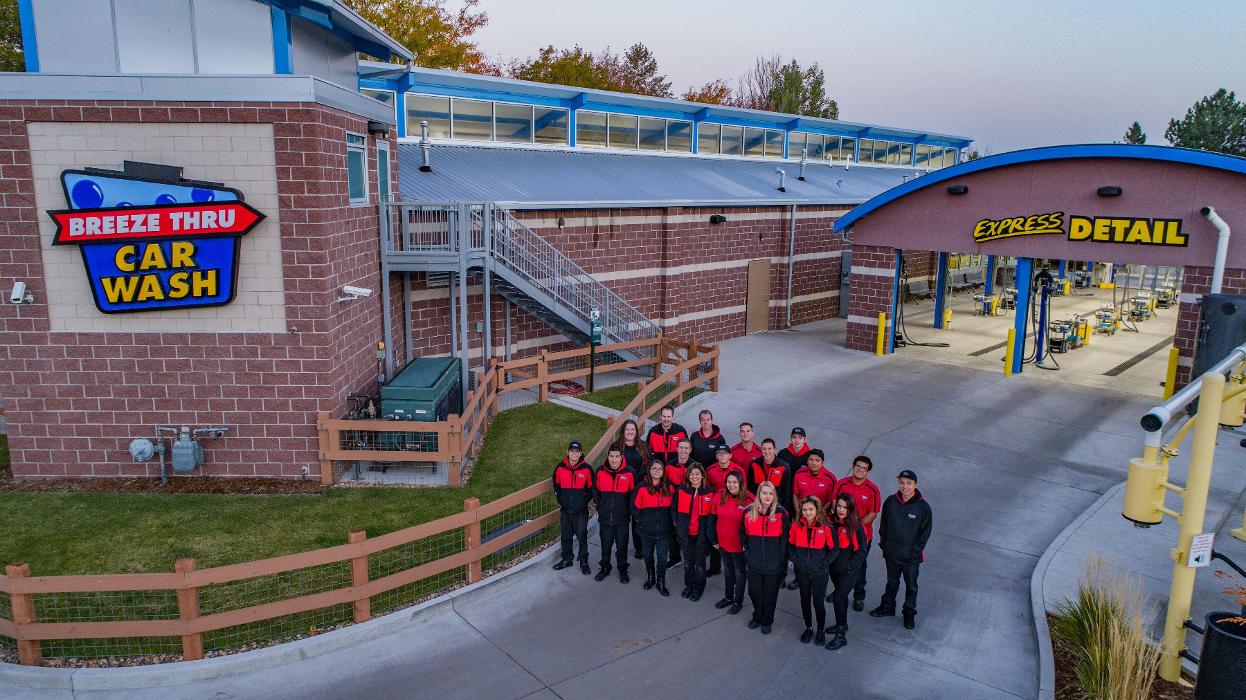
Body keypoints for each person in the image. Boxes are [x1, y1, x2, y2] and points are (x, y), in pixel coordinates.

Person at [871, 469, 933, 630]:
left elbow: (924, 534)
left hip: (911, 557)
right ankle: (887, 607)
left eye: (908, 483)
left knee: (911, 585)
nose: (904, 486)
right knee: (891, 582)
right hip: (892, 553)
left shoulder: (923, 507)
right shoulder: (891, 502)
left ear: (915, 485)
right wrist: (885, 545)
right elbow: (883, 525)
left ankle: (909, 613)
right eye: (902, 482)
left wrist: (913, 552)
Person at [741, 481, 789, 634]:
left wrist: (780, 560)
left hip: (773, 565)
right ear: (759, 494)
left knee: (770, 595)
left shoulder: (781, 513)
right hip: (754, 562)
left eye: (770, 493)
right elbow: (743, 535)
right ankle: (757, 616)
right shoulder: (748, 512)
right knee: (754, 592)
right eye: (764, 493)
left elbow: (785, 540)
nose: (767, 496)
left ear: (774, 495)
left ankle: (767, 620)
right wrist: (748, 552)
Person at [835, 455, 882, 611]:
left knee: (858, 567)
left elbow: (872, 513)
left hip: (862, 536)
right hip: (840, 534)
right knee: (838, 564)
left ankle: (858, 596)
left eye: (864, 468)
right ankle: (840, 592)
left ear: (868, 471)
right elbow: (836, 504)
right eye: (858, 466)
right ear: (853, 466)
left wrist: (855, 528)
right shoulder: (842, 484)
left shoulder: (872, 490)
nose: (860, 469)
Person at [788, 496, 837, 646]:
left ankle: (820, 630)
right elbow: (789, 546)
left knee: (818, 603)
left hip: (819, 573)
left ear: (817, 510)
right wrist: (796, 560)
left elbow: (834, 549)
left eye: (811, 509)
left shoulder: (826, 527)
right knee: (804, 600)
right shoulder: (796, 525)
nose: (808, 512)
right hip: (802, 572)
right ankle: (808, 627)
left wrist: (824, 564)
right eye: (804, 509)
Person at [826, 493, 868, 650]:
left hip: (849, 571)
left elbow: (861, 552)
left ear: (850, 508)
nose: (841, 510)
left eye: (845, 507)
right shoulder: (831, 521)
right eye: (839, 506)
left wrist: (849, 567)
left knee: (838, 598)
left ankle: (841, 636)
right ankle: (840, 625)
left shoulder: (856, 525)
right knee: (840, 598)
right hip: (834, 569)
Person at [707, 470, 753, 614]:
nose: (731, 485)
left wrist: (748, 545)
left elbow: (752, 526)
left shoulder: (749, 500)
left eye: (735, 482)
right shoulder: (719, 496)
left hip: (739, 546)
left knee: (740, 573)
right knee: (728, 570)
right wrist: (713, 538)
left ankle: (738, 601)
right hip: (722, 543)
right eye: (729, 482)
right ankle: (728, 597)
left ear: (741, 483)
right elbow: (712, 519)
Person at [749, 439, 793, 588]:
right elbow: (750, 489)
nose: (766, 451)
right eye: (764, 449)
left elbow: (787, 493)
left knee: (780, 545)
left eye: (769, 449)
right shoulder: (754, 464)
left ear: (775, 449)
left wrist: (784, 514)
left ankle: (781, 575)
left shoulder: (784, 467)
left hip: (778, 513)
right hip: (759, 512)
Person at [671, 464, 715, 601]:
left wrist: (709, 536)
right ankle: (689, 586)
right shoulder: (681, 490)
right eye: (691, 474)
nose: (694, 476)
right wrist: (678, 525)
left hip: (701, 536)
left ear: (702, 475)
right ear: (688, 475)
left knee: (700, 565)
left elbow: (712, 517)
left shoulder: (709, 492)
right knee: (688, 564)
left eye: (697, 474)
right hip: (685, 535)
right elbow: (673, 508)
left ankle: (698, 589)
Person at [593, 445, 636, 583]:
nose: (614, 459)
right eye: (611, 456)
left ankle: (623, 570)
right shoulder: (600, 471)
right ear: (608, 456)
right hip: (605, 519)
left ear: (622, 457)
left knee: (622, 547)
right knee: (605, 546)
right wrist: (600, 506)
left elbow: (632, 495)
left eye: (617, 456)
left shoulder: (629, 473)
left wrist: (628, 511)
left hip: (622, 519)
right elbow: (596, 492)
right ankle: (605, 568)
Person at [632, 460, 675, 596]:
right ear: (649, 470)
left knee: (662, 558)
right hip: (646, 531)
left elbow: (674, 508)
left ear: (663, 472)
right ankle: (651, 577)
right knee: (648, 556)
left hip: (664, 531)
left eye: (660, 469)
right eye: (654, 468)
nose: (657, 471)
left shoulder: (670, 488)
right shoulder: (641, 488)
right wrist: (641, 522)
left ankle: (661, 581)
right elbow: (634, 507)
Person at [551, 441, 593, 574]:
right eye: (572, 451)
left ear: (581, 453)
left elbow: (591, 489)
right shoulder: (560, 468)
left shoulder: (586, 469)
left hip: (580, 511)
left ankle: (583, 560)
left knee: (582, 535)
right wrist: (560, 499)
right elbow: (556, 485)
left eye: (577, 451)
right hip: (565, 510)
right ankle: (567, 559)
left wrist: (583, 503)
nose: (574, 453)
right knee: (566, 536)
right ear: (567, 452)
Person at [613, 419, 649, 561]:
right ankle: (621, 548)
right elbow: (612, 465)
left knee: (637, 520)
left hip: (638, 489)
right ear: (623, 431)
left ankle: (639, 548)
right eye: (627, 429)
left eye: (632, 429)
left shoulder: (643, 446)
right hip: (621, 490)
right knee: (621, 521)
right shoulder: (616, 447)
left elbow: (648, 467)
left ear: (636, 431)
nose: (630, 432)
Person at [664, 438, 700, 568]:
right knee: (672, 532)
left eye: (686, 448)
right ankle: (675, 558)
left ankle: (691, 561)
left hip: (690, 505)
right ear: (676, 449)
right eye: (681, 447)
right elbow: (665, 484)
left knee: (690, 533)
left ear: (690, 450)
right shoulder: (669, 465)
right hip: (673, 504)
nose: (683, 450)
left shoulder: (695, 466)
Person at [791, 449, 836, 519]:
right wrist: (798, 512)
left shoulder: (830, 478)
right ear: (807, 461)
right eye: (811, 460)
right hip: (802, 515)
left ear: (823, 462)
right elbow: (795, 495)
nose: (814, 463)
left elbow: (830, 501)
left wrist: (818, 514)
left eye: (817, 460)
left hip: (821, 517)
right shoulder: (799, 474)